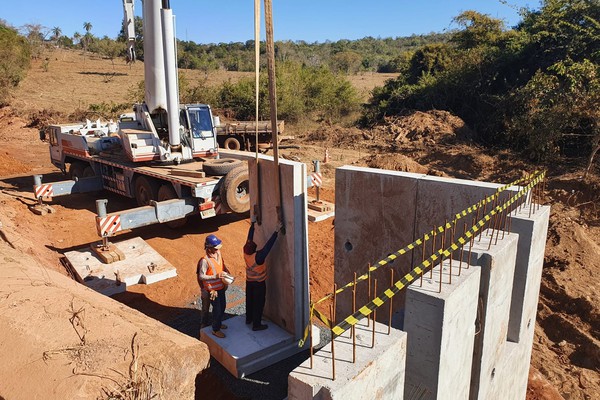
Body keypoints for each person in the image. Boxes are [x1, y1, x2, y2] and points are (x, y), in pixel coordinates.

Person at [244, 217, 281, 331]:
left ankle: (248, 319)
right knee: (258, 303)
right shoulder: (258, 257)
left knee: (249, 301)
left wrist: (252, 225)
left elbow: (249, 238)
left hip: (249, 282)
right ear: (254, 249)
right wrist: (276, 231)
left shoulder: (245, 251)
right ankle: (256, 325)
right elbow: (268, 247)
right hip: (259, 284)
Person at [197, 234, 230, 338]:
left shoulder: (218, 254)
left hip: (221, 287)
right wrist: (216, 276)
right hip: (212, 290)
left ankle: (218, 323)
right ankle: (215, 329)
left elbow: (221, 265)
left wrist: (226, 271)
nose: (217, 250)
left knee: (223, 306)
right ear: (209, 248)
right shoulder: (204, 261)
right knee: (217, 309)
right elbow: (201, 276)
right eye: (215, 248)